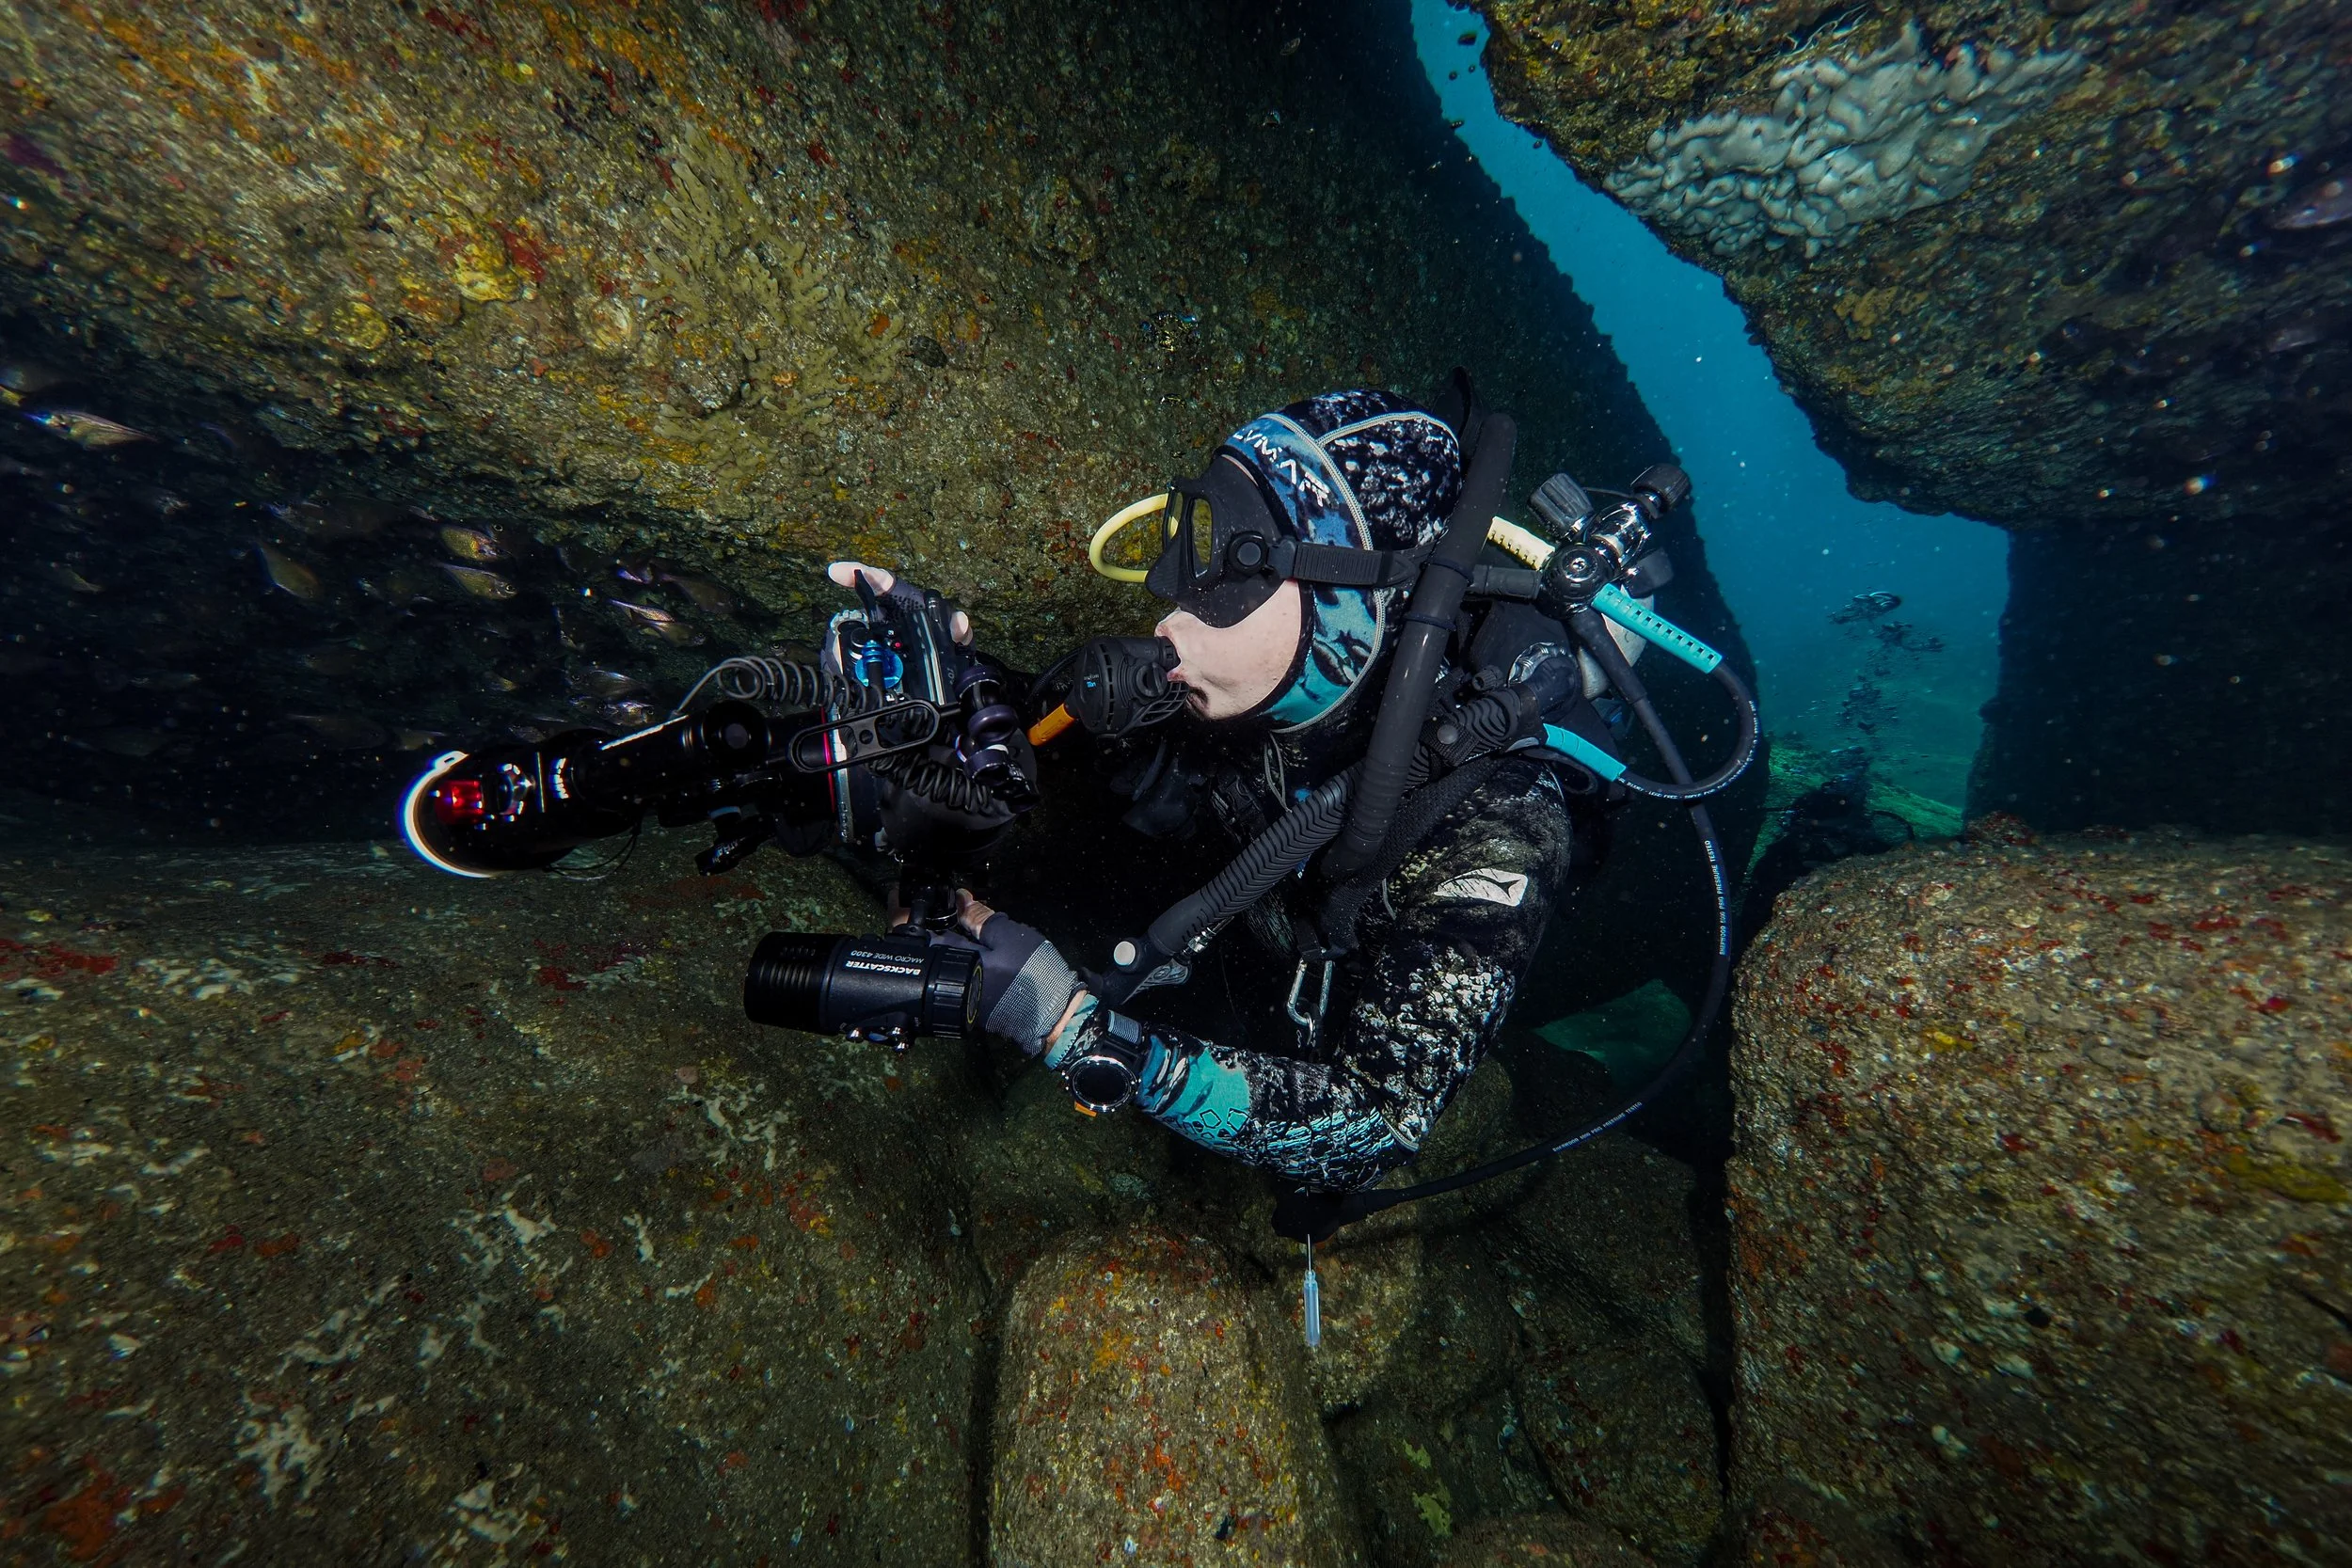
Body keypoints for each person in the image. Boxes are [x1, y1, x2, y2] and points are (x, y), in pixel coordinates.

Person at [834, 388, 1625, 1192]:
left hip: (1327, 980)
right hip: (1249, 905)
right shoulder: (1265, 688)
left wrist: (1066, 1025)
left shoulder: (1501, 824)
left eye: (1232, 572)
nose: (1171, 618)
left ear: (1350, 593)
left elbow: (1377, 1121)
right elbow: (1082, 754)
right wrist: (960, 700)